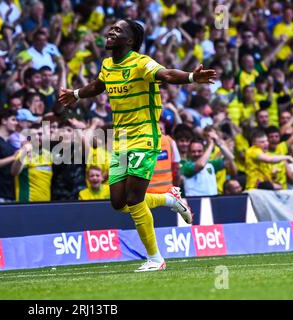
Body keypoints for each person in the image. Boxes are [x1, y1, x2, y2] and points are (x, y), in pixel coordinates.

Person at [59, 19, 216, 272]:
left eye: (118, 30)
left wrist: (190, 77)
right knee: (118, 202)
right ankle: (168, 198)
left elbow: (165, 74)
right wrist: (76, 94)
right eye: (111, 28)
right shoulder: (108, 64)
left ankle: (155, 258)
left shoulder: (142, 62)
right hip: (121, 140)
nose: (111, 31)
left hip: (144, 136)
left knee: (134, 198)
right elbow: (99, 86)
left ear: (130, 40)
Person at [181, 131, 236, 197]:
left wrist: (219, 144)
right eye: (193, 151)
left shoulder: (210, 164)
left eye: (199, 151)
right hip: (194, 203)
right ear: (189, 153)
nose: (196, 154)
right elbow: (201, 165)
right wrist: (211, 145)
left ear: (204, 151)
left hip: (212, 202)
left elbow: (230, 159)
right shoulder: (185, 165)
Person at [11, 126, 53, 202]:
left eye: (40, 134)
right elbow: (14, 172)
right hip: (27, 204)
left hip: (46, 204)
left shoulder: (48, 155)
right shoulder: (23, 153)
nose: (37, 137)